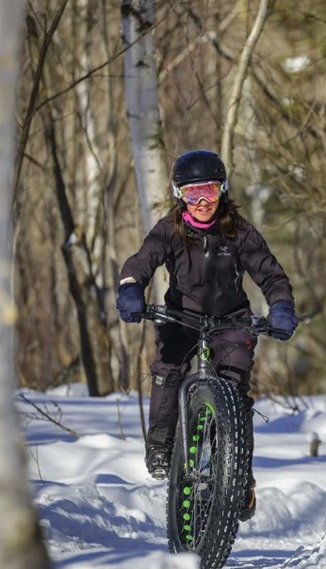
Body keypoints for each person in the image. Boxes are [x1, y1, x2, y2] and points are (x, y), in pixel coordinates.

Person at [115, 149, 298, 521]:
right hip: (182, 318)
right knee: (167, 369)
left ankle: (237, 474)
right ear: (178, 194)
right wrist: (131, 290)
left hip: (231, 322)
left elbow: (272, 276)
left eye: (211, 192)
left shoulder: (239, 231)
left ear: (224, 190)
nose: (202, 202)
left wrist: (280, 308)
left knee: (234, 392)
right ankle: (162, 446)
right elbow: (140, 262)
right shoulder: (169, 230)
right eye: (193, 193)